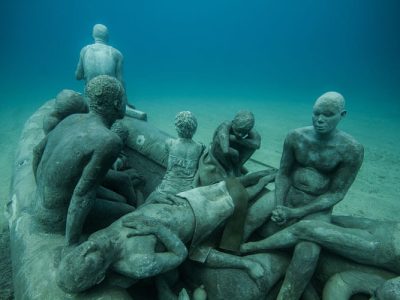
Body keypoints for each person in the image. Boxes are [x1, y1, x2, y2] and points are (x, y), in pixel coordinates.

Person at [56, 174, 275, 293]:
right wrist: (157, 228)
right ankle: (265, 181)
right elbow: (179, 255)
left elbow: (133, 217)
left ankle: (265, 174)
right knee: (235, 199)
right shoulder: (137, 263)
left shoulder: (98, 238)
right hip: (198, 218)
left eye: (83, 247)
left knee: (225, 184)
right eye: (90, 257)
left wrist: (151, 200)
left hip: (182, 199)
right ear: (101, 275)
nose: (91, 245)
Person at [243, 91, 364, 300]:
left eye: (328, 115)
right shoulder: (296, 136)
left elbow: (336, 193)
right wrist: (280, 205)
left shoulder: (351, 149)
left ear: (342, 115)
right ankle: (229, 252)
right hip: (288, 193)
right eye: (316, 113)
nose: (320, 120)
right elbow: (283, 173)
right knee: (251, 216)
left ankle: (287, 296)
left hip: (317, 206)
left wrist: (298, 212)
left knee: (307, 253)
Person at [32, 75, 131, 246]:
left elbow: (37, 152)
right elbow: (83, 194)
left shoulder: (72, 119)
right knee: (129, 210)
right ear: (116, 103)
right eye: (124, 98)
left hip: (42, 203)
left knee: (118, 198)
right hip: (57, 215)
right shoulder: (109, 140)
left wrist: (41, 194)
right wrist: (71, 244)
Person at [241, 215, 400, 274]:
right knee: (325, 220)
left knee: (305, 228)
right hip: (388, 227)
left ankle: (252, 247)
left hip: (387, 249)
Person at [145, 111, 204, 203]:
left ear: (177, 128)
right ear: (195, 129)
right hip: (186, 191)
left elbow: (168, 145)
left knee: (150, 198)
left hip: (166, 188)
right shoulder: (199, 147)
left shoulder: (171, 143)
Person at [197, 110, 261, 186]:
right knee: (223, 144)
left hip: (234, 153)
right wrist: (237, 145)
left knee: (251, 147)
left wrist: (237, 139)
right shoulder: (225, 125)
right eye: (238, 131)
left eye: (244, 132)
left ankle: (238, 167)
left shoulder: (247, 129)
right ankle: (231, 170)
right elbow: (225, 150)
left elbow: (257, 144)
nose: (240, 134)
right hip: (218, 152)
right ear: (233, 122)